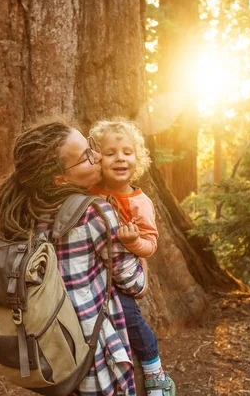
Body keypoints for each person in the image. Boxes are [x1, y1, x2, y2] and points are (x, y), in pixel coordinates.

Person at [0, 119, 146, 395]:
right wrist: (140, 252)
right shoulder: (93, 214)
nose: (97, 156)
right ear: (60, 179)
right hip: (92, 357)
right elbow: (135, 284)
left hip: (52, 355)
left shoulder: (19, 216)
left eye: (91, 147)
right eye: (87, 156)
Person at [89, 118, 175, 396]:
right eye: (110, 153)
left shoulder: (140, 203)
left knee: (129, 317)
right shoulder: (88, 194)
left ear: (137, 158)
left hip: (121, 280)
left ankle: (155, 372)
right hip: (90, 273)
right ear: (97, 159)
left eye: (127, 152)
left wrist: (133, 240)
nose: (120, 158)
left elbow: (150, 245)